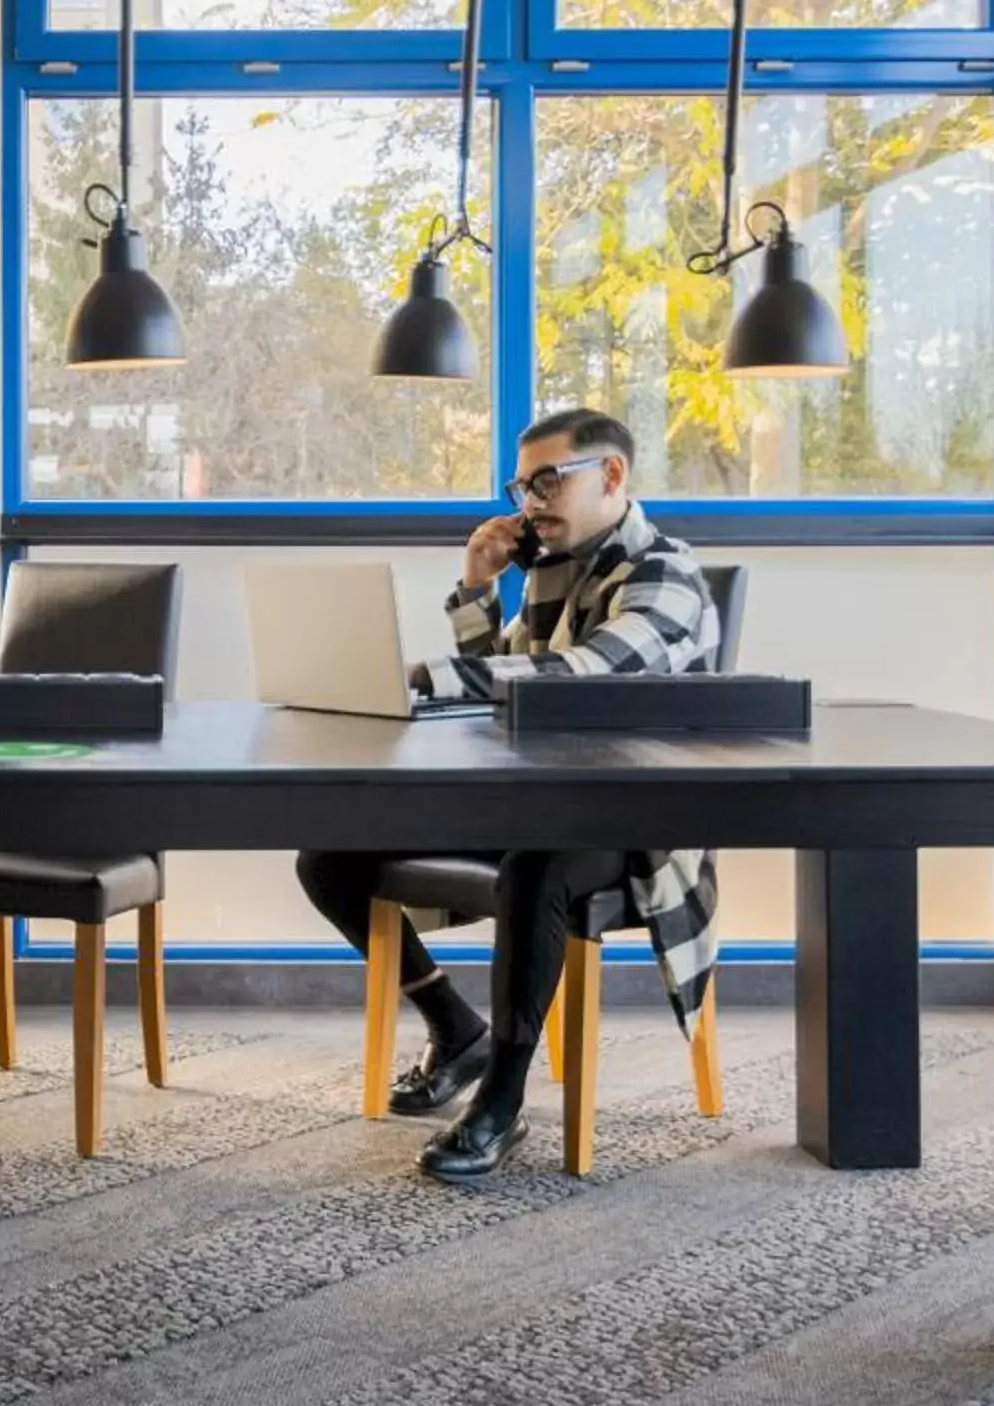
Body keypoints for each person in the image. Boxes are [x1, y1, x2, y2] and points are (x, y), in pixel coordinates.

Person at [293, 408, 721, 1179]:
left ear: (612, 475)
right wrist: (475, 584)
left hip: (635, 823)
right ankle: (456, 1028)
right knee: (330, 854)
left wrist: (422, 675)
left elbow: (577, 679)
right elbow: (499, 688)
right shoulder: (553, 572)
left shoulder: (665, 575)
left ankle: (501, 1097)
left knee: (537, 865)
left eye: (547, 481)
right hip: (537, 803)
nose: (529, 503)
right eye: (522, 486)